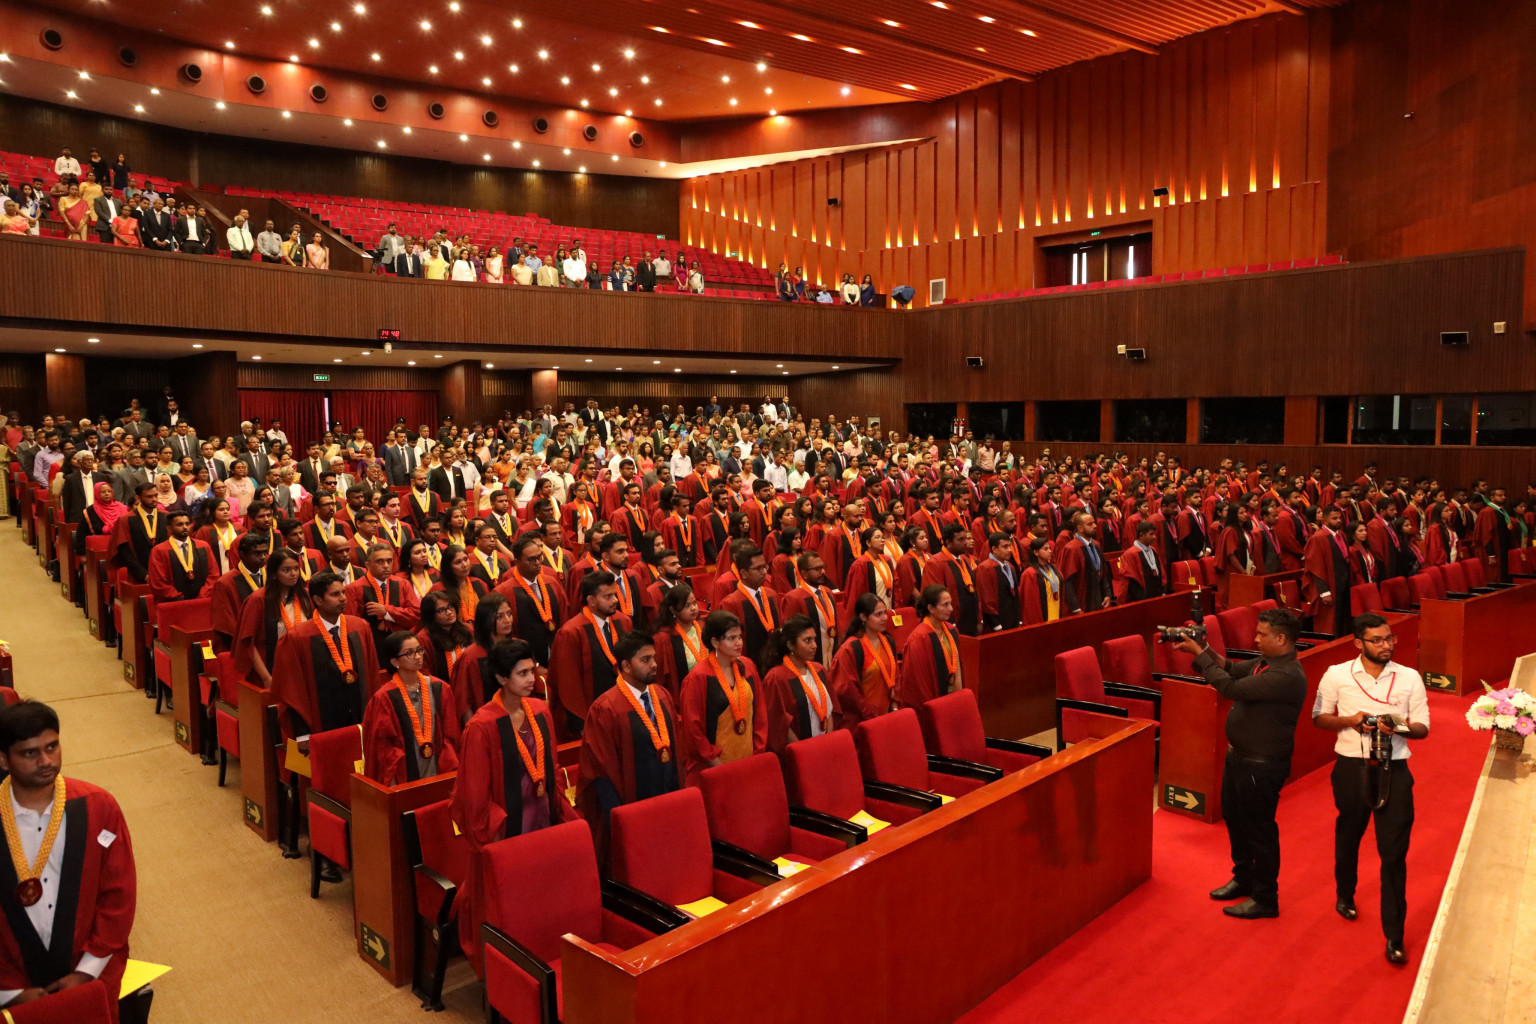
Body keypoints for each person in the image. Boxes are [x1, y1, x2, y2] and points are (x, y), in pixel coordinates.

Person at [0, 700, 136, 1012]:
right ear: (4, 760)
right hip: (12, 981)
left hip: (86, 971)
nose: (46, 760)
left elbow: (118, 897)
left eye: (52, 746)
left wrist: (85, 972)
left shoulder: (98, 807)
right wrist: (9, 993)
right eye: (30, 753)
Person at [450, 638, 574, 972]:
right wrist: (491, 836)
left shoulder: (541, 710)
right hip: (506, 828)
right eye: (522, 673)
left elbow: (552, 766)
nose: (531, 679)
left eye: (532, 671)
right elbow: (474, 792)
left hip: (543, 817)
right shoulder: (482, 725)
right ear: (502, 679)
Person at [1175, 608, 1308, 920]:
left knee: (1259, 830)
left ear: (1281, 639)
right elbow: (1231, 668)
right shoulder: (1267, 662)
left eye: (1262, 635)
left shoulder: (1286, 675)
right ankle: (1243, 878)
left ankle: (1265, 898)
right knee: (1235, 819)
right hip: (1240, 758)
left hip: (1261, 766)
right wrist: (1203, 648)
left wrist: (1200, 655)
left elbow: (1229, 688)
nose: (1255, 639)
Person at [1311, 612, 1428, 964]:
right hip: (1351, 768)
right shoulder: (1336, 674)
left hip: (1397, 771)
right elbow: (1318, 718)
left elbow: (1423, 728)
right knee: (1349, 836)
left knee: (1393, 853)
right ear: (1358, 643)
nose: (1386, 645)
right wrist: (1350, 721)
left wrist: (1401, 728)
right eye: (1377, 640)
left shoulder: (1410, 677)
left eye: (1389, 639)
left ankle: (1395, 934)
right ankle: (1344, 893)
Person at [575, 630, 680, 853]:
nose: (654, 664)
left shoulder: (662, 696)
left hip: (667, 800)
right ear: (626, 666)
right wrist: (619, 819)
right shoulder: (606, 708)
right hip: (631, 809)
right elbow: (601, 771)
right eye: (645, 660)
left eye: (654, 658)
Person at [271, 571, 382, 743]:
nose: (343, 598)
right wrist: (302, 734)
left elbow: (373, 676)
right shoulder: (297, 637)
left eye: (343, 592)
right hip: (321, 722)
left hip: (360, 717)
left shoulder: (360, 627)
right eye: (335, 594)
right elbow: (292, 689)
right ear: (318, 600)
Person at [678, 610, 767, 787]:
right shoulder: (698, 678)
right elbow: (693, 729)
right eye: (731, 638)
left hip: (749, 761)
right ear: (714, 642)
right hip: (712, 767)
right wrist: (718, 765)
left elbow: (760, 714)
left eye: (739, 637)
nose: (738, 643)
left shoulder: (748, 666)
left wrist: (757, 754)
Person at [362, 631, 462, 786]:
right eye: (409, 653)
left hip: (440, 771)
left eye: (419, 650)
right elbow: (383, 747)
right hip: (404, 776)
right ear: (395, 661)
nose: (417, 656)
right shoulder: (384, 698)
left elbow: (451, 734)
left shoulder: (440, 688)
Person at [551, 570, 633, 737]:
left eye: (615, 595)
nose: (615, 601)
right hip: (593, 715)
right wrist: (582, 724)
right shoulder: (571, 632)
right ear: (591, 600)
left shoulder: (623, 621)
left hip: (626, 708)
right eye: (608, 597)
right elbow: (569, 685)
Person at [761, 615, 837, 754]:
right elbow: (779, 723)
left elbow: (830, 709)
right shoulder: (776, 678)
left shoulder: (819, 670)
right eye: (807, 640)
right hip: (799, 752)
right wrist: (804, 752)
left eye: (814, 639)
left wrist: (828, 741)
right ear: (790, 645)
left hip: (825, 747)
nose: (814, 645)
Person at [828, 593, 896, 728]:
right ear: (863, 617)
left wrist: (894, 706)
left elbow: (895, 676)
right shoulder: (850, 649)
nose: (884, 618)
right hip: (861, 720)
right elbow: (847, 691)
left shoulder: (888, 642)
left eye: (885, 613)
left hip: (886, 715)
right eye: (878, 614)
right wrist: (870, 713)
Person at [896, 584, 962, 708]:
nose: (951, 609)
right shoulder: (918, 638)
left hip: (952, 696)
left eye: (950, 603)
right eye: (945, 605)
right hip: (932, 702)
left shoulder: (951, 630)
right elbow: (918, 683)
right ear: (931, 608)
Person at [146, 509, 220, 603]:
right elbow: (158, 582)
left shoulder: (203, 546)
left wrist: (202, 596)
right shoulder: (159, 550)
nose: (185, 527)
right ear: (169, 528)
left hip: (203, 602)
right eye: (179, 524)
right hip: (173, 604)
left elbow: (214, 574)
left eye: (187, 524)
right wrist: (179, 598)